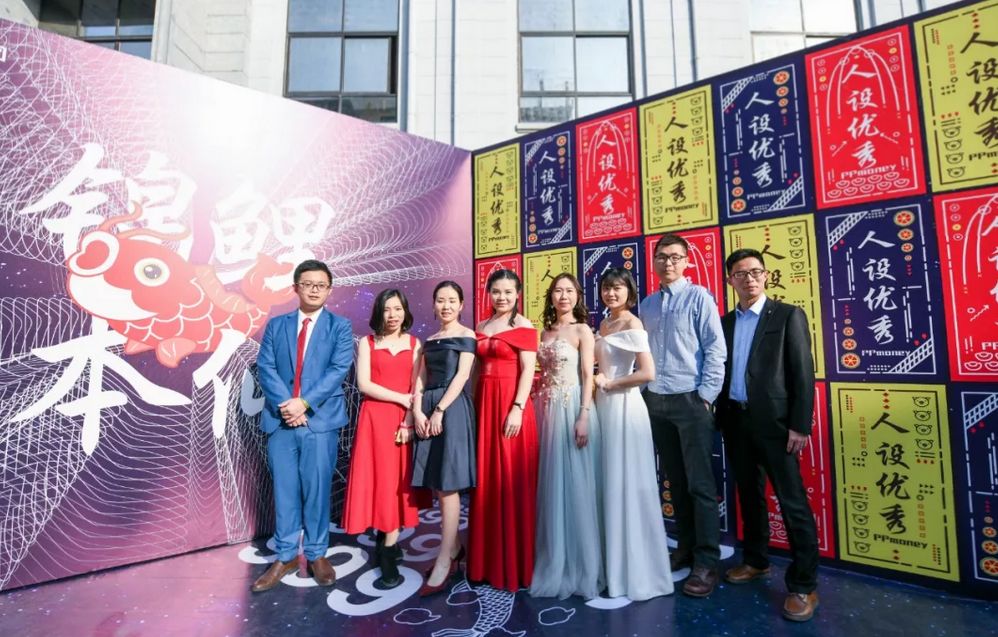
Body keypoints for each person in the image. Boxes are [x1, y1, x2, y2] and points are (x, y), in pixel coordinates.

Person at [716, 248, 819, 622]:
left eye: (755, 272)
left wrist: (800, 424)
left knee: (792, 502)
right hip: (736, 421)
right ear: (730, 280)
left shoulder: (788, 315)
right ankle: (756, 561)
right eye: (741, 274)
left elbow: (802, 372)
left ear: (765, 275)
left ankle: (804, 584)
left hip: (777, 425)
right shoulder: (725, 322)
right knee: (749, 496)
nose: (749, 279)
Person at [252, 259, 354, 592]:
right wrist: (288, 406)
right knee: (284, 491)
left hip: (319, 421)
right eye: (307, 284)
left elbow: (338, 369)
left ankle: (316, 553)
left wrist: (304, 403)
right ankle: (284, 555)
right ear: (295, 287)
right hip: (281, 420)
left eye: (320, 285)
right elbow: (266, 367)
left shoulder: (339, 327)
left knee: (317, 489)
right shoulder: (276, 325)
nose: (314, 290)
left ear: (329, 290)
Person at [639, 233, 726, 597]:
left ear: (687, 261)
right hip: (656, 402)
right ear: (654, 261)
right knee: (674, 481)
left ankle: (706, 562)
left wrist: (705, 397)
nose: (668, 263)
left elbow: (715, 349)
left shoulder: (699, 297)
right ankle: (685, 548)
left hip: (690, 401)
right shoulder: (647, 305)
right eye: (662, 256)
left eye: (675, 257)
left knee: (700, 485)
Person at [593, 267, 673, 601]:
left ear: (629, 291)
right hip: (603, 407)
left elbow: (647, 373)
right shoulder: (604, 323)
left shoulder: (632, 323)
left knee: (626, 483)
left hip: (625, 407)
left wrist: (610, 383)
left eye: (617, 288)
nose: (611, 293)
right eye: (606, 288)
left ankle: (635, 571)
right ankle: (612, 565)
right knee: (608, 482)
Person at [341, 288, 429, 589]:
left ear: (405, 311)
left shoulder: (415, 344)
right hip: (373, 419)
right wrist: (400, 398)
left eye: (398, 309)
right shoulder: (367, 343)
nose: (393, 315)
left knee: (395, 483)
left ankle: (388, 548)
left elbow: (417, 387)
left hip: (401, 421)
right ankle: (384, 539)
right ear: (379, 311)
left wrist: (408, 420)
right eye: (388, 309)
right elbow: (364, 384)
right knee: (378, 480)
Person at [529, 273, 604, 600]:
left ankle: (581, 564)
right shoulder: (544, 332)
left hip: (572, 408)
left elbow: (588, 375)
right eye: (558, 291)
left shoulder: (582, 330)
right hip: (544, 411)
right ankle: (552, 555)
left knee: (575, 486)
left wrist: (584, 415)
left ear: (577, 296)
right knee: (550, 485)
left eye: (569, 291)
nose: (563, 296)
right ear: (550, 296)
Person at [469, 269, 539, 592]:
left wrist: (518, 407)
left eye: (508, 292)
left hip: (511, 406)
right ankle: (484, 563)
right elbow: (475, 370)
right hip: (484, 404)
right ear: (489, 293)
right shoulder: (481, 326)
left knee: (510, 482)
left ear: (518, 294)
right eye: (496, 291)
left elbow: (528, 370)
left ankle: (514, 566)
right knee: (486, 482)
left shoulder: (524, 326)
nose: (502, 297)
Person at [410, 280, 477, 596]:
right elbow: (420, 378)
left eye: (452, 300)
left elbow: (462, 376)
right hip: (428, 408)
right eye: (440, 300)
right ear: (434, 304)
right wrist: (418, 411)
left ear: (461, 305)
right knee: (438, 483)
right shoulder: (430, 340)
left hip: (452, 409)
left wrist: (439, 410)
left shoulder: (467, 335)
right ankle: (454, 548)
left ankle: (444, 558)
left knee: (449, 485)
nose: (446, 306)